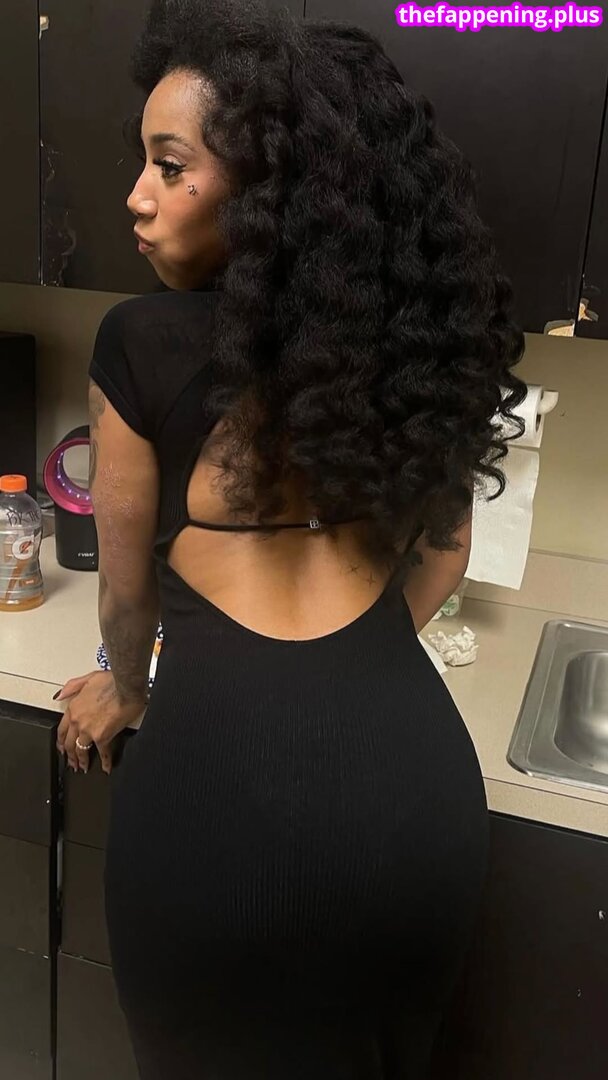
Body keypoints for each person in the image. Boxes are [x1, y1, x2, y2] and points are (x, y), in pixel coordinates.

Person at [55, 0, 527, 1076]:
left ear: (267, 190)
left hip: (214, 811)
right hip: (413, 800)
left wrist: (127, 686)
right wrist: (347, 671)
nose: (137, 196)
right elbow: (445, 554)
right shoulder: (411, 346)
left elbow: (125, 597)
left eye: (170, 166)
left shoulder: (141, 342)